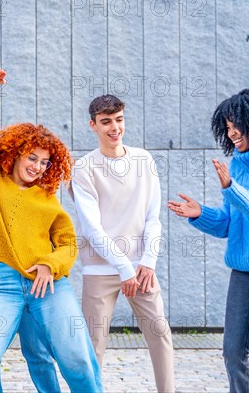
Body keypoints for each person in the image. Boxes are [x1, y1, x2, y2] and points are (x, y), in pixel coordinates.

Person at [0, 68, 102, 393]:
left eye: (45, 162)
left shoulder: (46, 197)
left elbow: (68, 244)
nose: (38, 166)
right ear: (15, 153)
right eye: (33, 157)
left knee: (78, 360)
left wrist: (50, 264)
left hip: (49, 287)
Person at [71, 94, 175, 392]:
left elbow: (153, 218)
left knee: (160, 333)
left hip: (141, 268)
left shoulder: (144, 160)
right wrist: (122, 268)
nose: (114, 127)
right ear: (93, 125)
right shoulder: (84, 168)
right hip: (100, 271)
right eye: (106, 122)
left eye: (118, 120)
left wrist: (147, 262)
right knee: (93, 344)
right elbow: (92, 229)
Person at [168, 88, 249, 393]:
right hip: (243, 267)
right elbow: (229, 221)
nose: (232, 132)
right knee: (233, 351)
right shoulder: (237, 164)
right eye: (227, 127)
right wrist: (200, 214)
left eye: (237, 125)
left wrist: (230, 187)